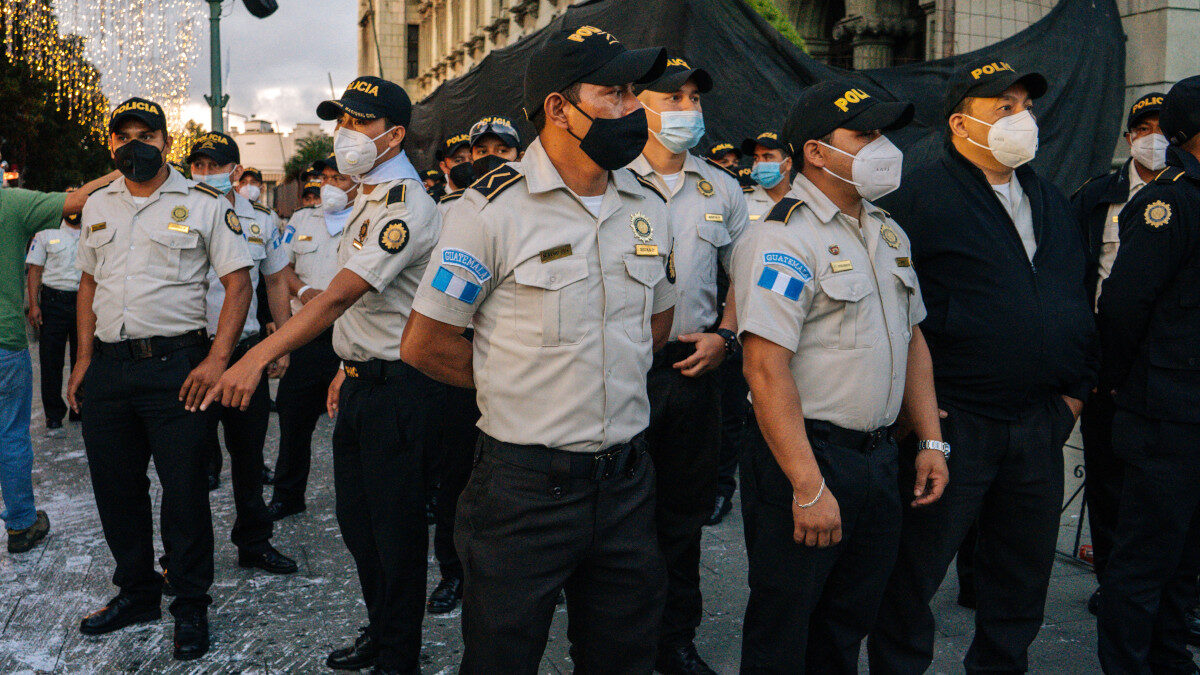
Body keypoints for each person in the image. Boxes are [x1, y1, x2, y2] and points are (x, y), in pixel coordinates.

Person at [401, 25, 672, 672]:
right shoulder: (491, 209)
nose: (634, 108)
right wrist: (519, 379)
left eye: (636, 92)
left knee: (625, 655)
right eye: (614, 93)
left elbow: (654, 325)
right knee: (503, 656)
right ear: (558, 107)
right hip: (524, 490)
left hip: (627, 482)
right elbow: (426, 342)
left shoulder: (648, 203)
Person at [203, 76, 443, 675]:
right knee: (360, 528)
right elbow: (363, 312)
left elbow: (336, 297)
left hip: (401, 389)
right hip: (365, 379)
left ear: (394, 135)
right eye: (341, 122)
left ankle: (399, 657)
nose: (346, 135)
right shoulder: (366, 195)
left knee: (395, 533)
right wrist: (346, 364)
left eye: (359, 123)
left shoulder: (403, 205)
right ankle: (383, 630)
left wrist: (256, 356)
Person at [866, 59, 1096, 674]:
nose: (1021, 118)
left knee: (1020, 576)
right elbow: (893, 313)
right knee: (916, 572)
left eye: (1025, 105)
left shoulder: (1048, 198)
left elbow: (1073, 293)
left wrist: (1074, 393)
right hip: (956, 421)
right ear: (960, 121)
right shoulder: (919, 198)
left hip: (1038, 423)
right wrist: (917, 415)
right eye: (1004, 107)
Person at [731, 80, 947, 672]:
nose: (883, 148)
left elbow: (914, 338)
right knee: (785, 627)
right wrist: (808, 486)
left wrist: (930, 438)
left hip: (878, 459)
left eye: (883, 134)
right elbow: (764, 367)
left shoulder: (887, 231)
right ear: (817, 152)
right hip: (808, 456)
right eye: (865, 134)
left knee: (846, 625)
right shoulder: (781, 237)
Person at [66, 97, 253, 660]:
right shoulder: (99, 204)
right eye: (123, 136)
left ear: (166, 142)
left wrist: (217, 360)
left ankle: (191, 605)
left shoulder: (202, 204)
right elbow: (87, 287)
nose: (134, 145)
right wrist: (81, 361)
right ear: (113, 145)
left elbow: (238, 283)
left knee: (185, 493)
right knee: (116, 491)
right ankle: (138, 593)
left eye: (146, 135)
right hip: (109, 368)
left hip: (179, 370)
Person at [627, 55, 748, 675]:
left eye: (695, 99)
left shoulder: (720, 187)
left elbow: (743, 274)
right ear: (636, 102)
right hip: (618, 369)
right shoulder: (611, 177)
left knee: (682, 514)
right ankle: (615, 637)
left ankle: (675, 638)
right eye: (672, 98)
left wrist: (726, 335)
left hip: (692, 365)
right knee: (616, 515)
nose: (687, 110)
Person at [1096, 75, 1200, 675]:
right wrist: (1120, 382)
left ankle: (1170, 661)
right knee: (1142, 561)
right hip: (1166, 411)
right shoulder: (1169, 203)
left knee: (1185, 558)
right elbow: (1123, 308)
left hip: (1192, 409)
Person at [179, 131, 297, 576]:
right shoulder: (178, 210)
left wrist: (280, 341)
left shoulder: (262, 219)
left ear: (234, 167)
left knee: (248, 458)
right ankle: (186, 557)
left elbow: (275, 281)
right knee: (187, 463)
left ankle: (255, 541)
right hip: (194, 352)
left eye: (215, 164)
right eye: (199, 164)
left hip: (245, 354)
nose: (206, 173)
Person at [1070, 91, 1167, 615]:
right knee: (1108, 483)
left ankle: (1173, 592)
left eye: (1165, 127)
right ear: (1129, 137)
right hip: (1106, 366)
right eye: (1144, 127)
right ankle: (1112, 585)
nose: (1154, 138)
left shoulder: (1187, 194)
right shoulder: (1096, 196)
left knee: (1168, 488)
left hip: (1169, 369)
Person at [424, 115, 523, 616]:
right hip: (458, 365)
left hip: (519, 367)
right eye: (473, 154)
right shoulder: (443, 213)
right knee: (457, 479)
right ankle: (453, 573)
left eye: (500, 152)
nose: (486, 162)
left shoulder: (536, 211)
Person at [1, 170, 115, 554]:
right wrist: (133, 155)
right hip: (4, 343)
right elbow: (79, 199)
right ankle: (20, 525)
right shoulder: (10, 203)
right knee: (10, 436)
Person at [705, 128, 793, 529]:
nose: (760, 165)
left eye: (769, 156)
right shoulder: (741, 204)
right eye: (755, 158)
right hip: (742, 321)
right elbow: (733, 272)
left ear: (789, 160)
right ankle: (723, 485)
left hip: (793, 326)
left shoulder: (809, 205)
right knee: (730, 410)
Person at [266, 154, 351, 521]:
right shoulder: (301, 220)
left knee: (351, 427)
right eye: (326, 178)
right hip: (307, 337)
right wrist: (301, 292)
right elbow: (280, 267)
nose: (330, 185)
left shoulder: (370, 220)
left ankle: (355, 498)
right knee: (293, 420)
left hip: (350, 337)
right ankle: (288, 495)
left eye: (340, 178)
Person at [25, 206, 82, 430]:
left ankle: (80, 407)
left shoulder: (93, 230)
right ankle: (54, 413)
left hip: (83, 302)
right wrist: (34, 305)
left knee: (83, 356)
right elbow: (35, 271)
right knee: (51, 360)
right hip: (53, 302)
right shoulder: (46, 233)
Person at [742, 130, 793, 220]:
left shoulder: (805, 200)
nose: (760, 163)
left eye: (768, 157)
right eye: (756, 158)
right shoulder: (742, 201)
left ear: (788, 163)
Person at [437, 132, 472, 199]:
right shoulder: (434, 201)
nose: (467, 163)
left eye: (472, 159)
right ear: (444, 167)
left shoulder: (489, 194)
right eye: (458, 160)